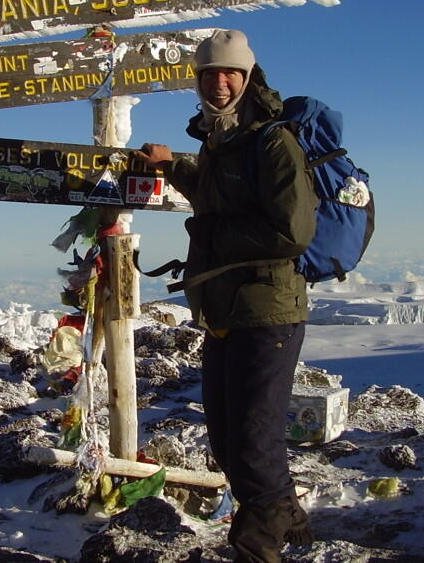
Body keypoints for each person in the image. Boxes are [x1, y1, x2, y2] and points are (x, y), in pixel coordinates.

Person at [133, 29, 317, 562]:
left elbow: (292, 232)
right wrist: (176, 167)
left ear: (247, 77)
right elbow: (218, 198)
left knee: (253, 443)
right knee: (226, 436)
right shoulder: (218, 138)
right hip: (224, 309)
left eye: (229, 73)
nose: (219, 82)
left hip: (269, 311)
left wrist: (212, 236)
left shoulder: (272, 141)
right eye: (209, 73)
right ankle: (289, 518)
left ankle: (257, 546)